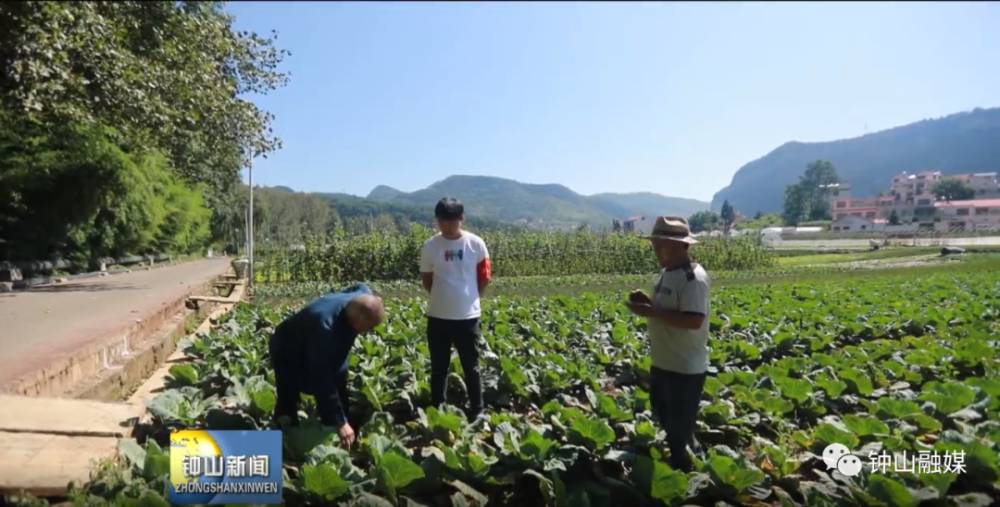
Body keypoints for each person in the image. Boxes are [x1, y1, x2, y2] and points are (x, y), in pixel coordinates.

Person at [625, 216, 710, 472]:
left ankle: (690, 476)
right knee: (667, 418)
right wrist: (648, 302)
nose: (655, 248)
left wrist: (651, 313)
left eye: (660, 243)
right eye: (655, 242)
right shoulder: (667, 273)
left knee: (679, 429)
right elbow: (668, 308)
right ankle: (685, 460)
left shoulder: (693, 278)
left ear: (679, 246)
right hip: (664, 362)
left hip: (684, 368)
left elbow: (694, 320)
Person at [268, 283, 385, 448]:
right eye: (370, 327)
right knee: (289, 391)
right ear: (358, 319)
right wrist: (339, 422)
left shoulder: (362, 295)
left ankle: (343, 426)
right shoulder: (325, 328)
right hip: (288, 348)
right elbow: (322, 379)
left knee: (340, 380)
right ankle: (284, 434)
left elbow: (360, 286)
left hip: (319, 337)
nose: (371, 331)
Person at [419, 197, 492, 420]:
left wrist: (470, 298)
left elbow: (485, 276)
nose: (446, 226)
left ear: (461, 219)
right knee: (439, 367)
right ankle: (438, 408)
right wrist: (443, 297)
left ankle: (477, 409)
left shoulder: (476, 244)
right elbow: (426, 278)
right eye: (441, 221)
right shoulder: (430, 246)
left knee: (471, 366)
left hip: (467, 317)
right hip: (438, 316)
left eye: (451, 221)